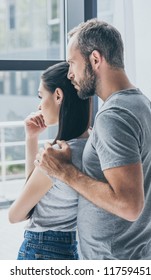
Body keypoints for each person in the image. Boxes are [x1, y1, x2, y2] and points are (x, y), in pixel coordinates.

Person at [35, 19, 151, 260]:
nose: (70, 74)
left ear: (95, 59)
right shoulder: (143, 105)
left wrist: (65, 172)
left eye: (72, 63)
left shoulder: (113, 117)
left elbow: (129, 205)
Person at [8, 62, 90, 260]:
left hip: (40, 250)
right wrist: (32, 138)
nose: (38, 105)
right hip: (70, 248)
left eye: (40, 95)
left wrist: (31, 140)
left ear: (58, 96)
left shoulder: (57, 157)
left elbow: (16, 215)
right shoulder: (91, 145)